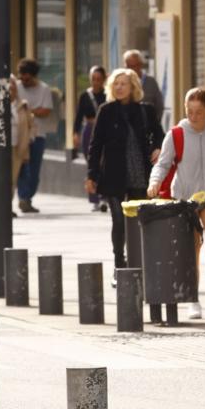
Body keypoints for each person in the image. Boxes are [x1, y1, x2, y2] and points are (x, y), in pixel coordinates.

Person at [146, 87, 205, 320]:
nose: (193, 117)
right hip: (184, 199)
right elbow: (163, 164)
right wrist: (154, 182)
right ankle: (192, 299)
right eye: (189, 112)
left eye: (199, 112)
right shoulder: (176, 134)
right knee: (192, 248)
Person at [85, 68, 164, 272]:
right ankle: (119, 265)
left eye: (124, 84)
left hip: (140, 172)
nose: (119, 87)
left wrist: (157, 147)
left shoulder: (146, 110)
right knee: (119, 220)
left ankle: (139, 263)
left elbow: (159, 135)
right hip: (113, 175)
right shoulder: (106, 110)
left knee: (139, 221)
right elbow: (96, 145)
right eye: (116, 84)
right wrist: (91, 175)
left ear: (133, 87)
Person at [13, 59, 54, 214]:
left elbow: (46, 111)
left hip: (38, 134)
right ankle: (23, 198)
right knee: (23, 167)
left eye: (27, 78)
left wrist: (27, 111)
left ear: (34, 76)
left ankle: (28, 197)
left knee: (35, 169)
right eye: (22, 78)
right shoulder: (15, 87)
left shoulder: (44, 89)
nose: (24, 81)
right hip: (21, 134)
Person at [73, 66, 108, 212]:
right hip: (89, 130)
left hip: (106, 130)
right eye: (93, 79)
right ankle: (94, 199)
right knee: (92, 163)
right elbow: (79, 115)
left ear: (104, 80)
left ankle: (105, 197)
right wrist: (76, 133)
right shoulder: (85, 95)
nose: (96, 82)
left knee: (105, 163)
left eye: (99, 79)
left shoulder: (108, 94)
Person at [124, 49, 164, 116]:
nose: (131, 69)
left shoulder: (151, 82)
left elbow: (159, 106)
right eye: (129, 66)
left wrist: (154, 123)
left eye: (134, 66)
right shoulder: (122, 83)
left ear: (140, 65)